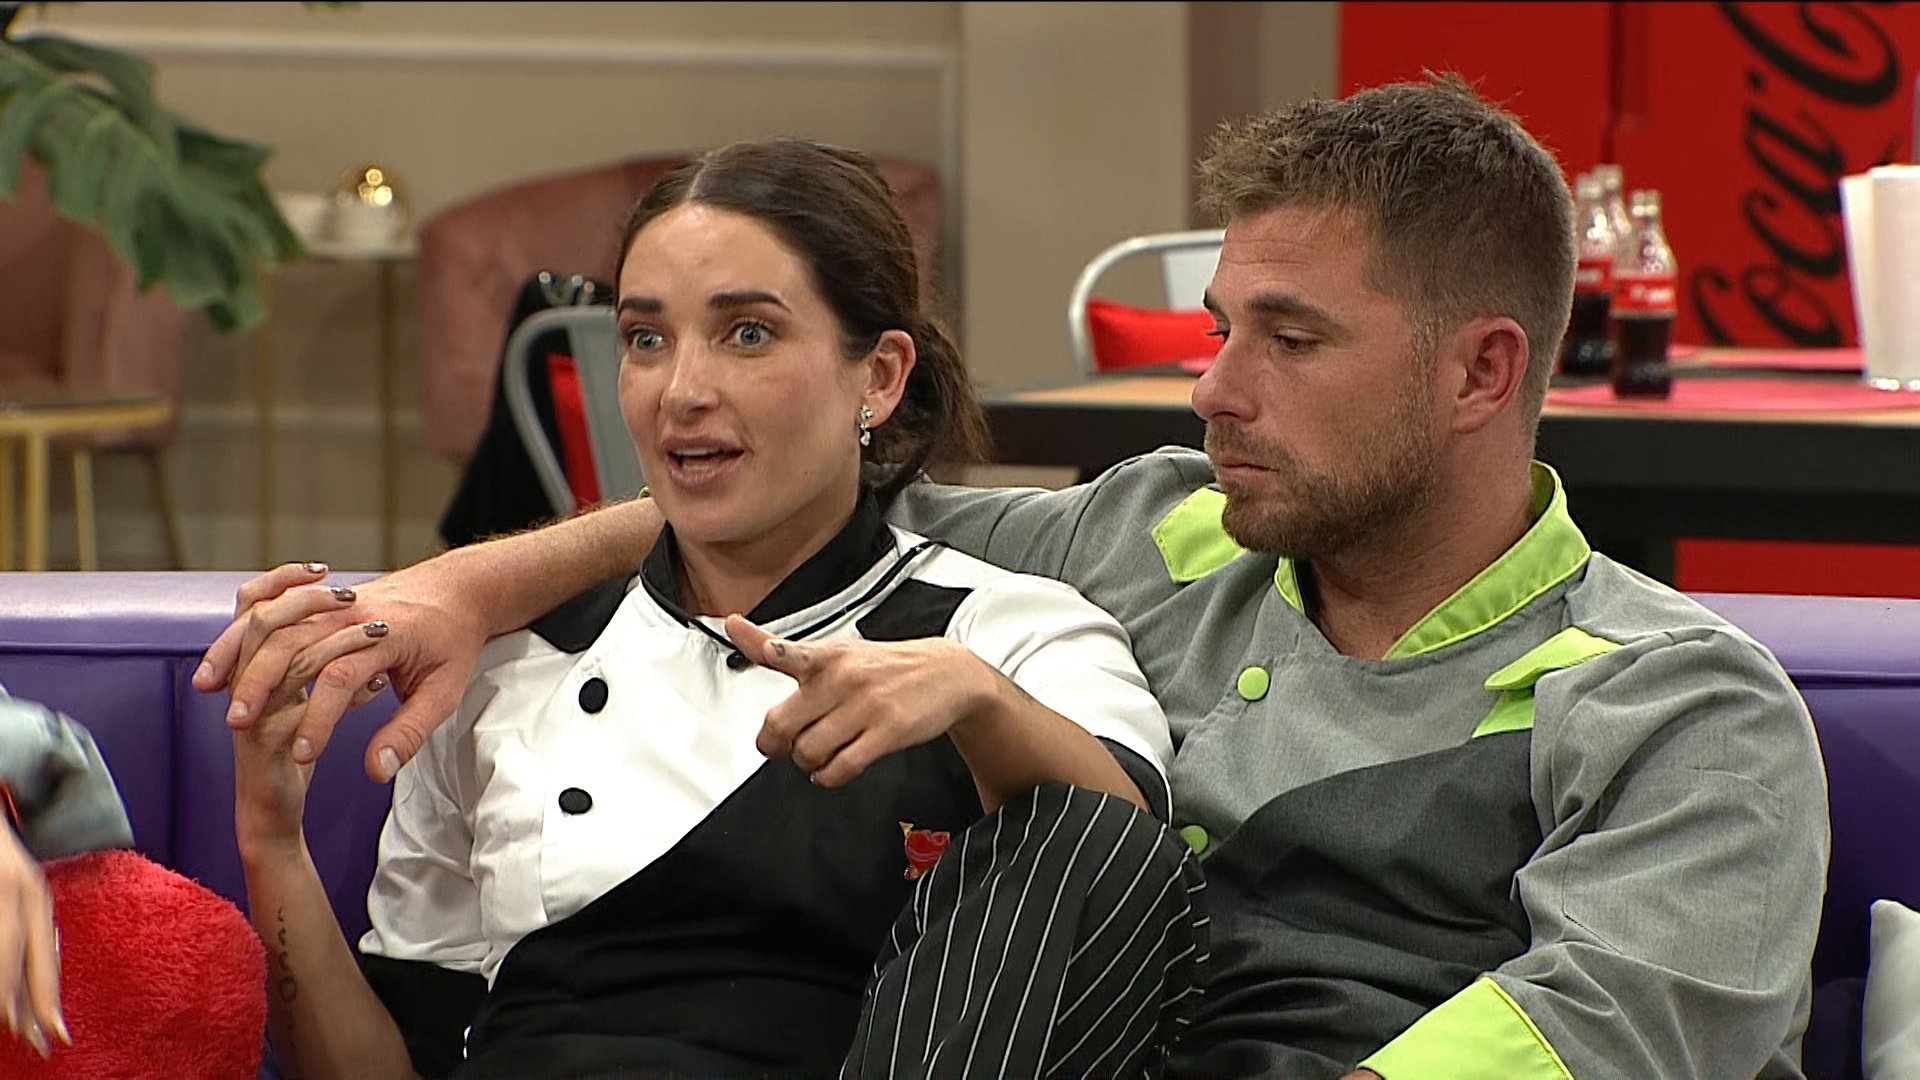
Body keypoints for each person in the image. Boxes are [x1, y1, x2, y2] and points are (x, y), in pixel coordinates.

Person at [205, 76, 1829, 1079]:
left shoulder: (1681, 702)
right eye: (1220, 330)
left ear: (1482, 373)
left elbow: (1599, 1040)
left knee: (1077, 830)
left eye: (1289, 340)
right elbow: (776, 495)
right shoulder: (1159, 533)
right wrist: (457, 594)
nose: (1212, 390)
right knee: (1069, 831)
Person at [226, 137, 1203, 1080]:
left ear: (879, 376)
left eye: (748, 334)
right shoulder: (506, 666)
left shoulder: (1009, 634)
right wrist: (272, 842)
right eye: (646, 340)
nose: (682, 392)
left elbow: (1115, 871)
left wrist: (974, 699)